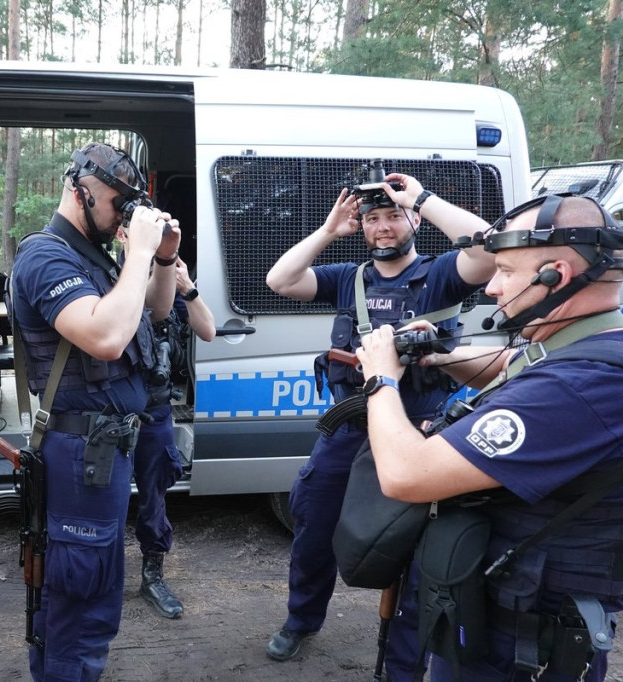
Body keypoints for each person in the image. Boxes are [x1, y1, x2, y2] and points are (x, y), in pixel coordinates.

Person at [357, 194, 623, 681]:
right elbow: (516, 366)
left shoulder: (579, 386)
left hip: (519, 641)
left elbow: (404, 476)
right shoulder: (589, 342)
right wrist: (438, 354)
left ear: (555, 276)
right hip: (494, 607)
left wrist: (380, 379)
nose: (493, 289)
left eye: (503, 271)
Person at [262, 172, 496, 679]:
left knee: (415, 543)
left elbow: (490, 249)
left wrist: (424, 199)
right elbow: (279, 281)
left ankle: (407, 650)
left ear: (414, 219)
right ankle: (301, 620)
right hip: (349, 428)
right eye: (373, 219)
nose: (384, 227)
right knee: (312, 527)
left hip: (419, 431)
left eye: (393, 215)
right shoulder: (350, 276)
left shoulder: (443, 274)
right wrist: (328, 231)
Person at [11, 142, 180, 680]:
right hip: (79, 451)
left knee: (98, 587)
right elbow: (106, 336)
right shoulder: (44, 256)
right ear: (79, 189)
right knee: (78, 597)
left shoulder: (95, 256)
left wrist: (164, 258)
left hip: (107, 451)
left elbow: (153, 311)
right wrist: (136, 255)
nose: (122, 216)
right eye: (117, 202)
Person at [115, 229, 215, 619]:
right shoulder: (110, 274)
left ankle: (152, 576)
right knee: (106, 498)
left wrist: (185, 285)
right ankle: (103, 579)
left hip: (155, 412)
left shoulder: (170, 281)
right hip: (112, 413)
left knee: (154, 499)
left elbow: (207, 330)